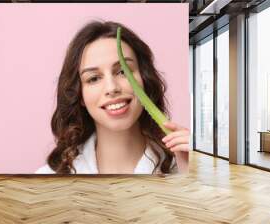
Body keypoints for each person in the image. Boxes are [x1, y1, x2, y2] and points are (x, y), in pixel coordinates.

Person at [35, 21, 189, 174]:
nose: (112, 88)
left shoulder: (184, 167)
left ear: (144, 79)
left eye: (123, 71)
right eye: (94, 78)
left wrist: (193, 174)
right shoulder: (47, 179)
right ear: (79, 94)